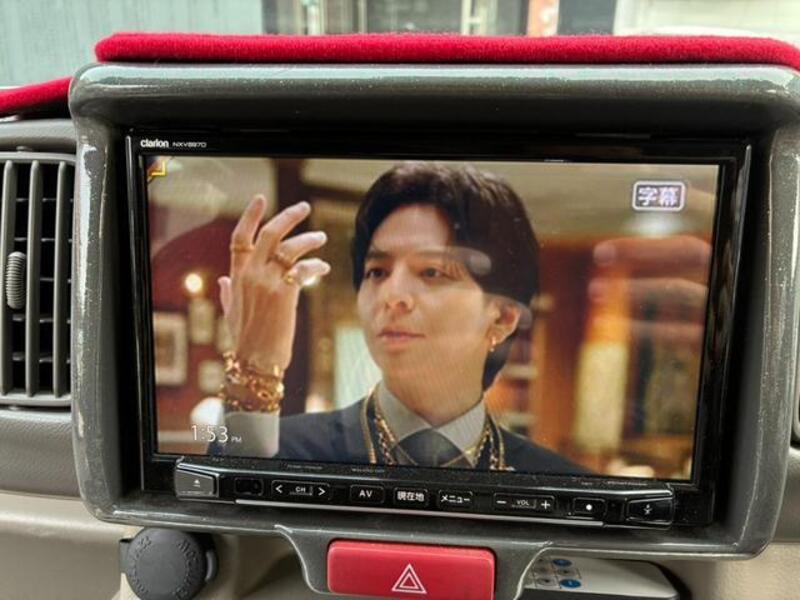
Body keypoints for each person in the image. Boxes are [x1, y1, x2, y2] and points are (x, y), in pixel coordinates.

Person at [215, 162, 584, 473]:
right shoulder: (287, 450)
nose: (392, 296)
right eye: (377, 272)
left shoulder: (554, 479)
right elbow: (229, 524)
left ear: (502, 318)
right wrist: (253, 373)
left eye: (432, 272)